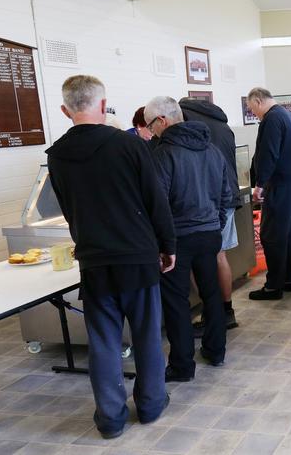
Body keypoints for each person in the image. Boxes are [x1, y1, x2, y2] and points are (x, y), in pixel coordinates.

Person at [46, 75, 176, 438]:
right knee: (147, 335)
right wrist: (169, 247)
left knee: (103, 343)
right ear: (103, 106)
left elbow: (70, 210)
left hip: (94, 260)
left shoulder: (56, 156)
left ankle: (110, 418)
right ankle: (150, 405)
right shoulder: (129, 146)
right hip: (137, 256)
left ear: (64, 110)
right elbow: (156, 202)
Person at [145, 96, 232, 382]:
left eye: (150, 125)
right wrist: (215, 224)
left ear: (162, 121)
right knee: (211, 294)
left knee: (177, 302)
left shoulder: (163, 154)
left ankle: (182, 366)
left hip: (178, 239)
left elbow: (157, 204)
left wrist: (163, 241)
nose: (150, 131)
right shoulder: (211, 149)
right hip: (208, 235)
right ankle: (216, 350)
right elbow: (225, 195)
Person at [178, 97, 240, 332]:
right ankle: (226, 311)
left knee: (202, 259)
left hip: (205, 200)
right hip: (228, 195)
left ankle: (211, 314)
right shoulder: (222, 124)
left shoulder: (185, 120)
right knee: (219, 255)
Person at [247, 87, 291, 300]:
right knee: (289, 234)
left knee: (272, 235)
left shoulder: (271, 119)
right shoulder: (287, 115)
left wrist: (260, 184)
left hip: (280, 185)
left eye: (252, 108)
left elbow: (268, 154)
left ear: (258, 100)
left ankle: (273, 286)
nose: (253, 113)